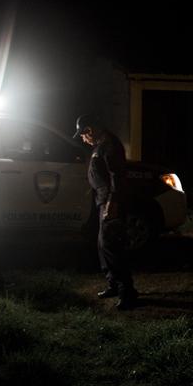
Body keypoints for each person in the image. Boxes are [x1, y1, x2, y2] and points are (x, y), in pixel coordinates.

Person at [72, 114, 138, 309]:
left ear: (90, 130)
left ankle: (128, 293)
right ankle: (113, 284)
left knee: (113, 247)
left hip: (111, 201)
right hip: (103, 200)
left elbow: (116, 177)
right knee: (103, 246)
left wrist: (112, 203)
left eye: (83, 135)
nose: (83, 139)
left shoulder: (110, 145)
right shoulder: (101, 145)